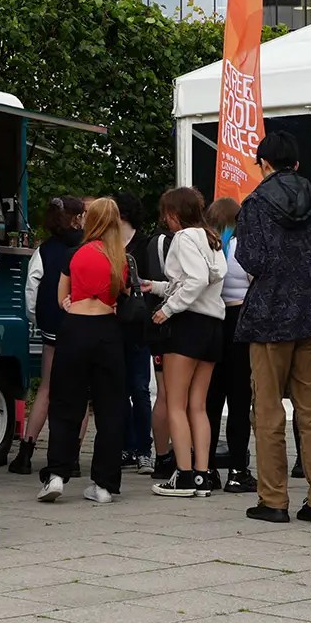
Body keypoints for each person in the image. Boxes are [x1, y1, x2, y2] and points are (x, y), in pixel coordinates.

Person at [235, 131, 311, 524]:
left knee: (268, 411)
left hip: (268, 318)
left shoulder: (256, 203)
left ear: (264, 163)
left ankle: (273, 499)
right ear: (296, 162)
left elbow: (251, 258)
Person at [41, 197, 129, 505]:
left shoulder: (73, 253)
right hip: (107, 331)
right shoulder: (121, 258)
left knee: (66, 403)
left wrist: (70, 303)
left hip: (75, 329)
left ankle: (55, 474)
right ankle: (104, 484)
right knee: (110, 408)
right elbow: (121, 297)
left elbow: (60, 298)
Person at [144, 188, 227, 496]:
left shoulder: (183, 238)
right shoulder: (211, 238)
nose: (165, 219)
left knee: (175, 404)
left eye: (166, 213)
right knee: (198, 405)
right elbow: (199, 280)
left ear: (175, 213)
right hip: (212, 326)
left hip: (187, 326)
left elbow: (193, 281)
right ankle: (203, 475)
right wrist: (155, 287)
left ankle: (183, 473)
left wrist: (167, 310)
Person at [11, 196, 85, 477]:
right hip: (82, 324)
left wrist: (37, 319)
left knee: (47, 388)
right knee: (79, 393)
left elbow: (32, 291)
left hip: (53, 326)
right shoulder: (88, 247)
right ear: (78, 218)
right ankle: (73, 458)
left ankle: (26, 453)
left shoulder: (44, 250)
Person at [205, 196, 256, 493]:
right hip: (240, 319)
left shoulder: (208, 246)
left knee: (210, 401)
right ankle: (238, 469)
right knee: (239, 402)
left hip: (213, 321)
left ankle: (208, 467)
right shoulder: (242, 244)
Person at [115, 192, 164, 476]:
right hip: (114, 324)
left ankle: (144, 449)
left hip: (137, 323)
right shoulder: (111, 245)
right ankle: (126, 444)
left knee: (139, 387)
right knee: (120, 389)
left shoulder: (144, 244)